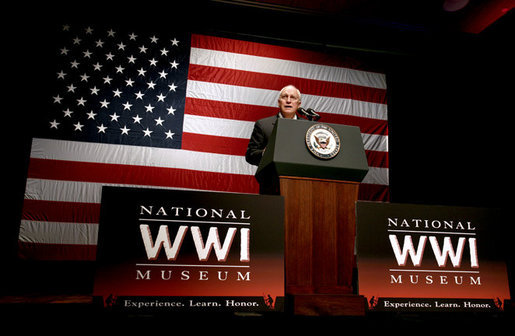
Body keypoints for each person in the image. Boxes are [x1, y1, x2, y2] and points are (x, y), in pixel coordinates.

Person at [245, 85, 302, 166]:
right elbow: (250, 155)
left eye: (293, 97)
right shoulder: (263, 125)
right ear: (279, 102)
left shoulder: (306, 126)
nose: (288, 100)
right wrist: (265, 153)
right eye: (285, 97)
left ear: (299, 104)